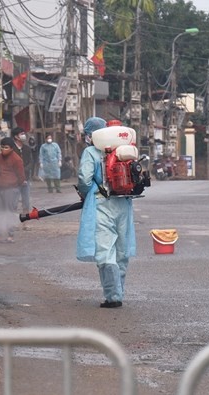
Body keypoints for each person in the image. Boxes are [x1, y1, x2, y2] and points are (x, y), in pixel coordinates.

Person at [76, 117, 136, 309]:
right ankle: (120, 291)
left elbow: (84, 180)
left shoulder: (90, 152)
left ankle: (113, 296)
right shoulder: (122, 149)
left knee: (105, 251)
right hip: (124, 202)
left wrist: (86, 195)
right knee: (121, 250)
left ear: (91, 134)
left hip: (102, 204)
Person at [0, 137, 26, 243]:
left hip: (11, 189)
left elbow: (21, 176)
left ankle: (10, 235)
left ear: (11, 148)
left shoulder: (17, 159)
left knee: (9, 212)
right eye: (2, 147)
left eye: (6, 147)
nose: (3, 149)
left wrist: (16, 185)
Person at [10, 127, 32, 212]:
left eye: (24, 133)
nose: (24, 135)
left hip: (26, 177)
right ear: (16, 137)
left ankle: (25, 219)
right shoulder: (11, 149)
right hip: (15, 179)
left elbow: (31, 162)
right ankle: (12, 219)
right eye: (21, 134)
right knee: (14, 200)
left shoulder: (27, 148)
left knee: (26, 200)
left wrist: (25, 170)